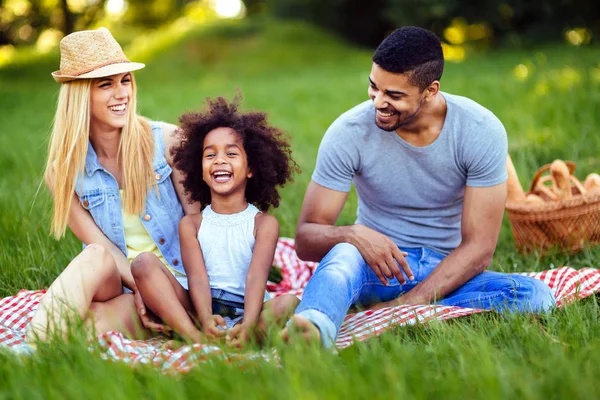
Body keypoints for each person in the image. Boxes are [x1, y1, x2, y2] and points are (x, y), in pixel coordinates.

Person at [283, 26, 555, 347]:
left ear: (430, 90)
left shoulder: (480, 130)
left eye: (394, 95)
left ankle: (379, 311)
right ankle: (313, 331)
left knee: (536, 295)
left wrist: (408, 303)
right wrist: (351, 234)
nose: (378, 103)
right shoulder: (348, 132)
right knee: (343, 256)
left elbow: (479, 249)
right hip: (372, 266)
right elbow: (305, 239)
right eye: (374, 87)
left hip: (447, 271)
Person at [26, 27, 199, 343]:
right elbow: (102, 248)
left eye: (125, 80)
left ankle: (36, 346)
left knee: (80, 328)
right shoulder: (63, 172)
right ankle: (29, 353)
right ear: (80, 96)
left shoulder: (168, 142)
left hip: (180, 287)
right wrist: (139, 289)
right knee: (94, 257)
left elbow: (202, 228)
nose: (122, 94)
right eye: (106, 84)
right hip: (124, 286)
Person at [131, 96, 300, 347]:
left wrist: (249, 322)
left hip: (248, 308)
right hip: (200, 307)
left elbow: (256, 278)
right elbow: (197, 278)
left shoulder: (263, 225)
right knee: (143, 263)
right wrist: (206, 317)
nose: (220, 160)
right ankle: (196, 337)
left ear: (251, 168)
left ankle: (243, 336)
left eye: (231, 153)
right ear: (200, 169)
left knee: (290, 302)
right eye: (210, 155)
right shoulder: (192, 225)